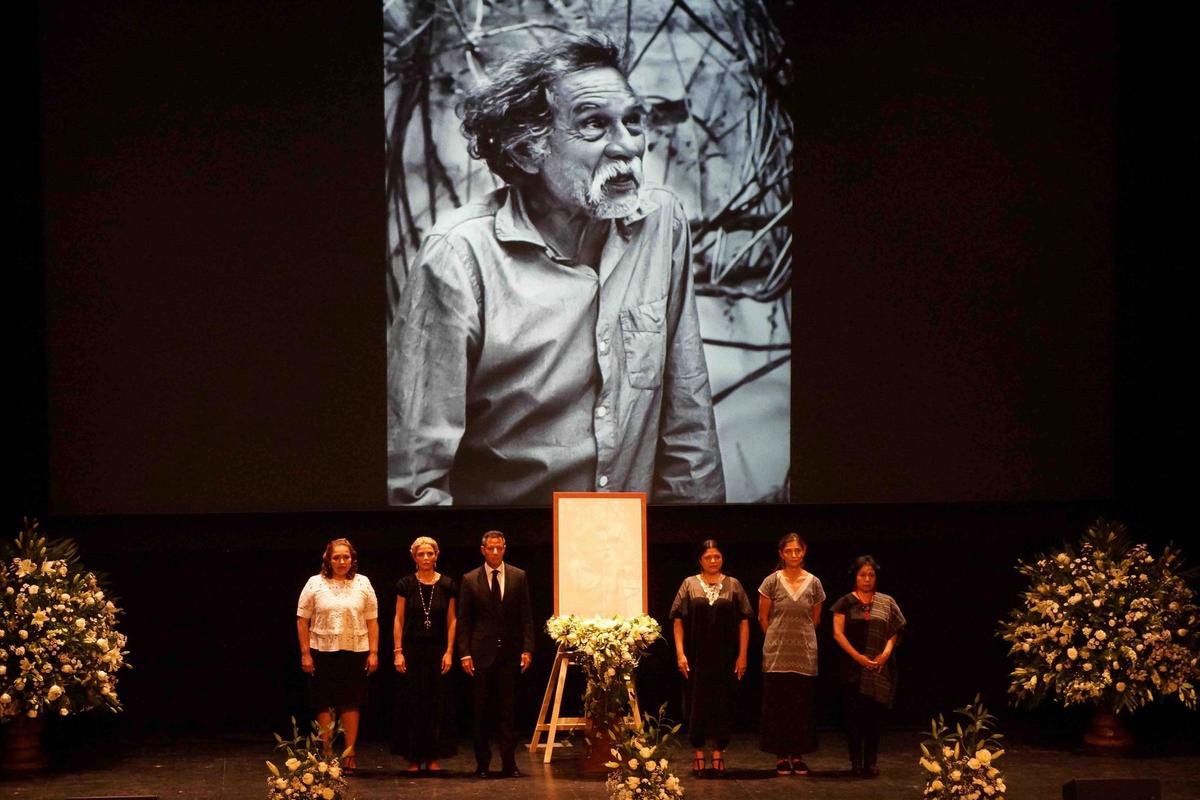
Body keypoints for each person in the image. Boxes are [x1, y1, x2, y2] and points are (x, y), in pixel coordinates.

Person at [387, 33, 724, 507]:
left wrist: (694, 553)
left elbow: (688, 418)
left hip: (625, 555)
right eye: (594, 125)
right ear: (527, 151)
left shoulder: (660, 223)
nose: (627, 145)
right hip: (509, 556)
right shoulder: (460, 255)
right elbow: (415, 480)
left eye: (632, 121)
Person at [296, 538, 379, 774]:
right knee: (324, 702)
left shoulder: (363, 583)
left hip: (355, 651)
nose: (341, 561)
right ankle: (328, 756)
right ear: (328, 559)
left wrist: (373, 652)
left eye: (345, 557)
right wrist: (305, 653)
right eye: (336, 557)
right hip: (321, 651)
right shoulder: (315, 583)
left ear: (352, 559)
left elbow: (372, 621)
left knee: (351, 702)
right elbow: (302, 619)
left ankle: (349, 755)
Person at [670, 539, 752, 778]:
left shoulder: (733, 585)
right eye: (708, 557)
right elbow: (677, 620)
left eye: (717, 557)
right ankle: (697, 753)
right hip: (695, 657)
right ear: (700, 560)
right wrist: (680, 653)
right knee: (696, 703)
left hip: (725, 657)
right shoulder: (689, 584)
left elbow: (744, 620)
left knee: (723, 703)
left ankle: (718, 753)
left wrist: (743, 655)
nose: (713, 561)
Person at [457, 531, 535, 778]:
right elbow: (464, 622)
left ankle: (509, 762)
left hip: (510, 654)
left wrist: (527, 648)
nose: (494, 552)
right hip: (481, 654)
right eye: (490, 548)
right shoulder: (470, 579)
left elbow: (526, 618)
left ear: (504, 548)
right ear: (482, 549)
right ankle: (482, 763)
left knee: (508, 712)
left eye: (499, 548)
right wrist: (465, 653)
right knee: (480, 711)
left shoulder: (517, 576)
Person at [831, 556, 905, 778]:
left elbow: (895, 631)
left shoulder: (886, 601)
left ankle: (870, 763)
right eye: (862, 575)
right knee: (853, 718)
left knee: (873, 719)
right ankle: (855, 762)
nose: (867, 579)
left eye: (871, 575)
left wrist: (885, 654)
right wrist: (858, 657)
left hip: (878, 668)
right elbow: (837, 633)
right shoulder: (845, 602)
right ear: (855, 577)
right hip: (853, 668)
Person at [758, 532, 825, 776]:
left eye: (798, 550)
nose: (794, 555)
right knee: (779, 706)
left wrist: (800, 638)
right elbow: (763, 618)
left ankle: (797, 755)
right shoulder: (771, 581)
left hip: (804, 655)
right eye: (789, 551)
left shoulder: (814, 582)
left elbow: (815, 618)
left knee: (801, 707)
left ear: (804, 552)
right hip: (777, 654)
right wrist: (777, 639)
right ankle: (780, 755)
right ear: (781, 554)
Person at [392, 536, 458, 772]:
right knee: (414, 704)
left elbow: (452, 620)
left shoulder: (448, 584)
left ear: (437, 555)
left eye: (430, 553)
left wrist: (450, 651)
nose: (426, 558)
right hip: (412, 650)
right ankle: (413, 757)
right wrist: (398, 651)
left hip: (438, 650)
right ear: (414, 557)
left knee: (436, 704)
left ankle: (432, 757)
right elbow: (398, 619)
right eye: (421, 554)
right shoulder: (405, 584)